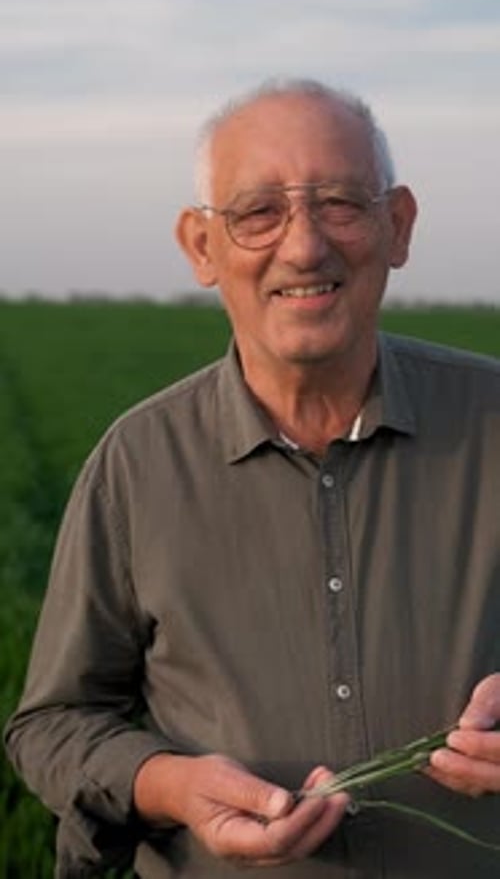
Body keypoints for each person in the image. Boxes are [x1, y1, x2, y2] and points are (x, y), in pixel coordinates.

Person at [4, 78, 500, 879]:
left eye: (340, 201)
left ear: (398, 224)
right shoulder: (138, 463)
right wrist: (170, 785)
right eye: (258, 213)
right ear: (202, 246)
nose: (304, 247)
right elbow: (56, 722)